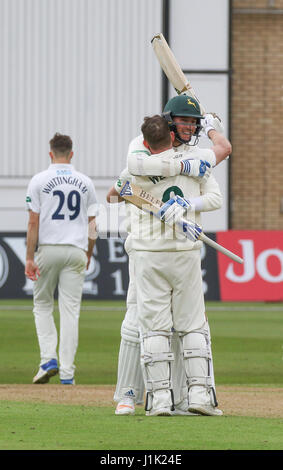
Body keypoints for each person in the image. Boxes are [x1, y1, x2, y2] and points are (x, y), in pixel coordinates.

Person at [109, 95, 231, 416]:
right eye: (184, 122)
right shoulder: (165, 155)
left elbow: (118, 189)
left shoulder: (187, 156)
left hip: (161, 251)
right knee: (183, 325)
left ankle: (166, 399)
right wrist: (181, 170)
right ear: (169, 125)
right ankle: (183, 397)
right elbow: (121, 187)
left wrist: (184, 206)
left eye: (194, 122)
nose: (189, 127)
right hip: (161, 250)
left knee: (162, 327)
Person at [25, 133, 98, 385]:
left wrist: (29, 257)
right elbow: (93, 224)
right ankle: (67, 373)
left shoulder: (38, 180)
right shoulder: (85, 182)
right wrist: (88, 253)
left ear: (50, 153)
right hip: (75, 249)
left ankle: (48, 359)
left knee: (43, 305)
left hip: (48, 248)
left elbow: (33, 221)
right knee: (70, 312)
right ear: (71, 154)